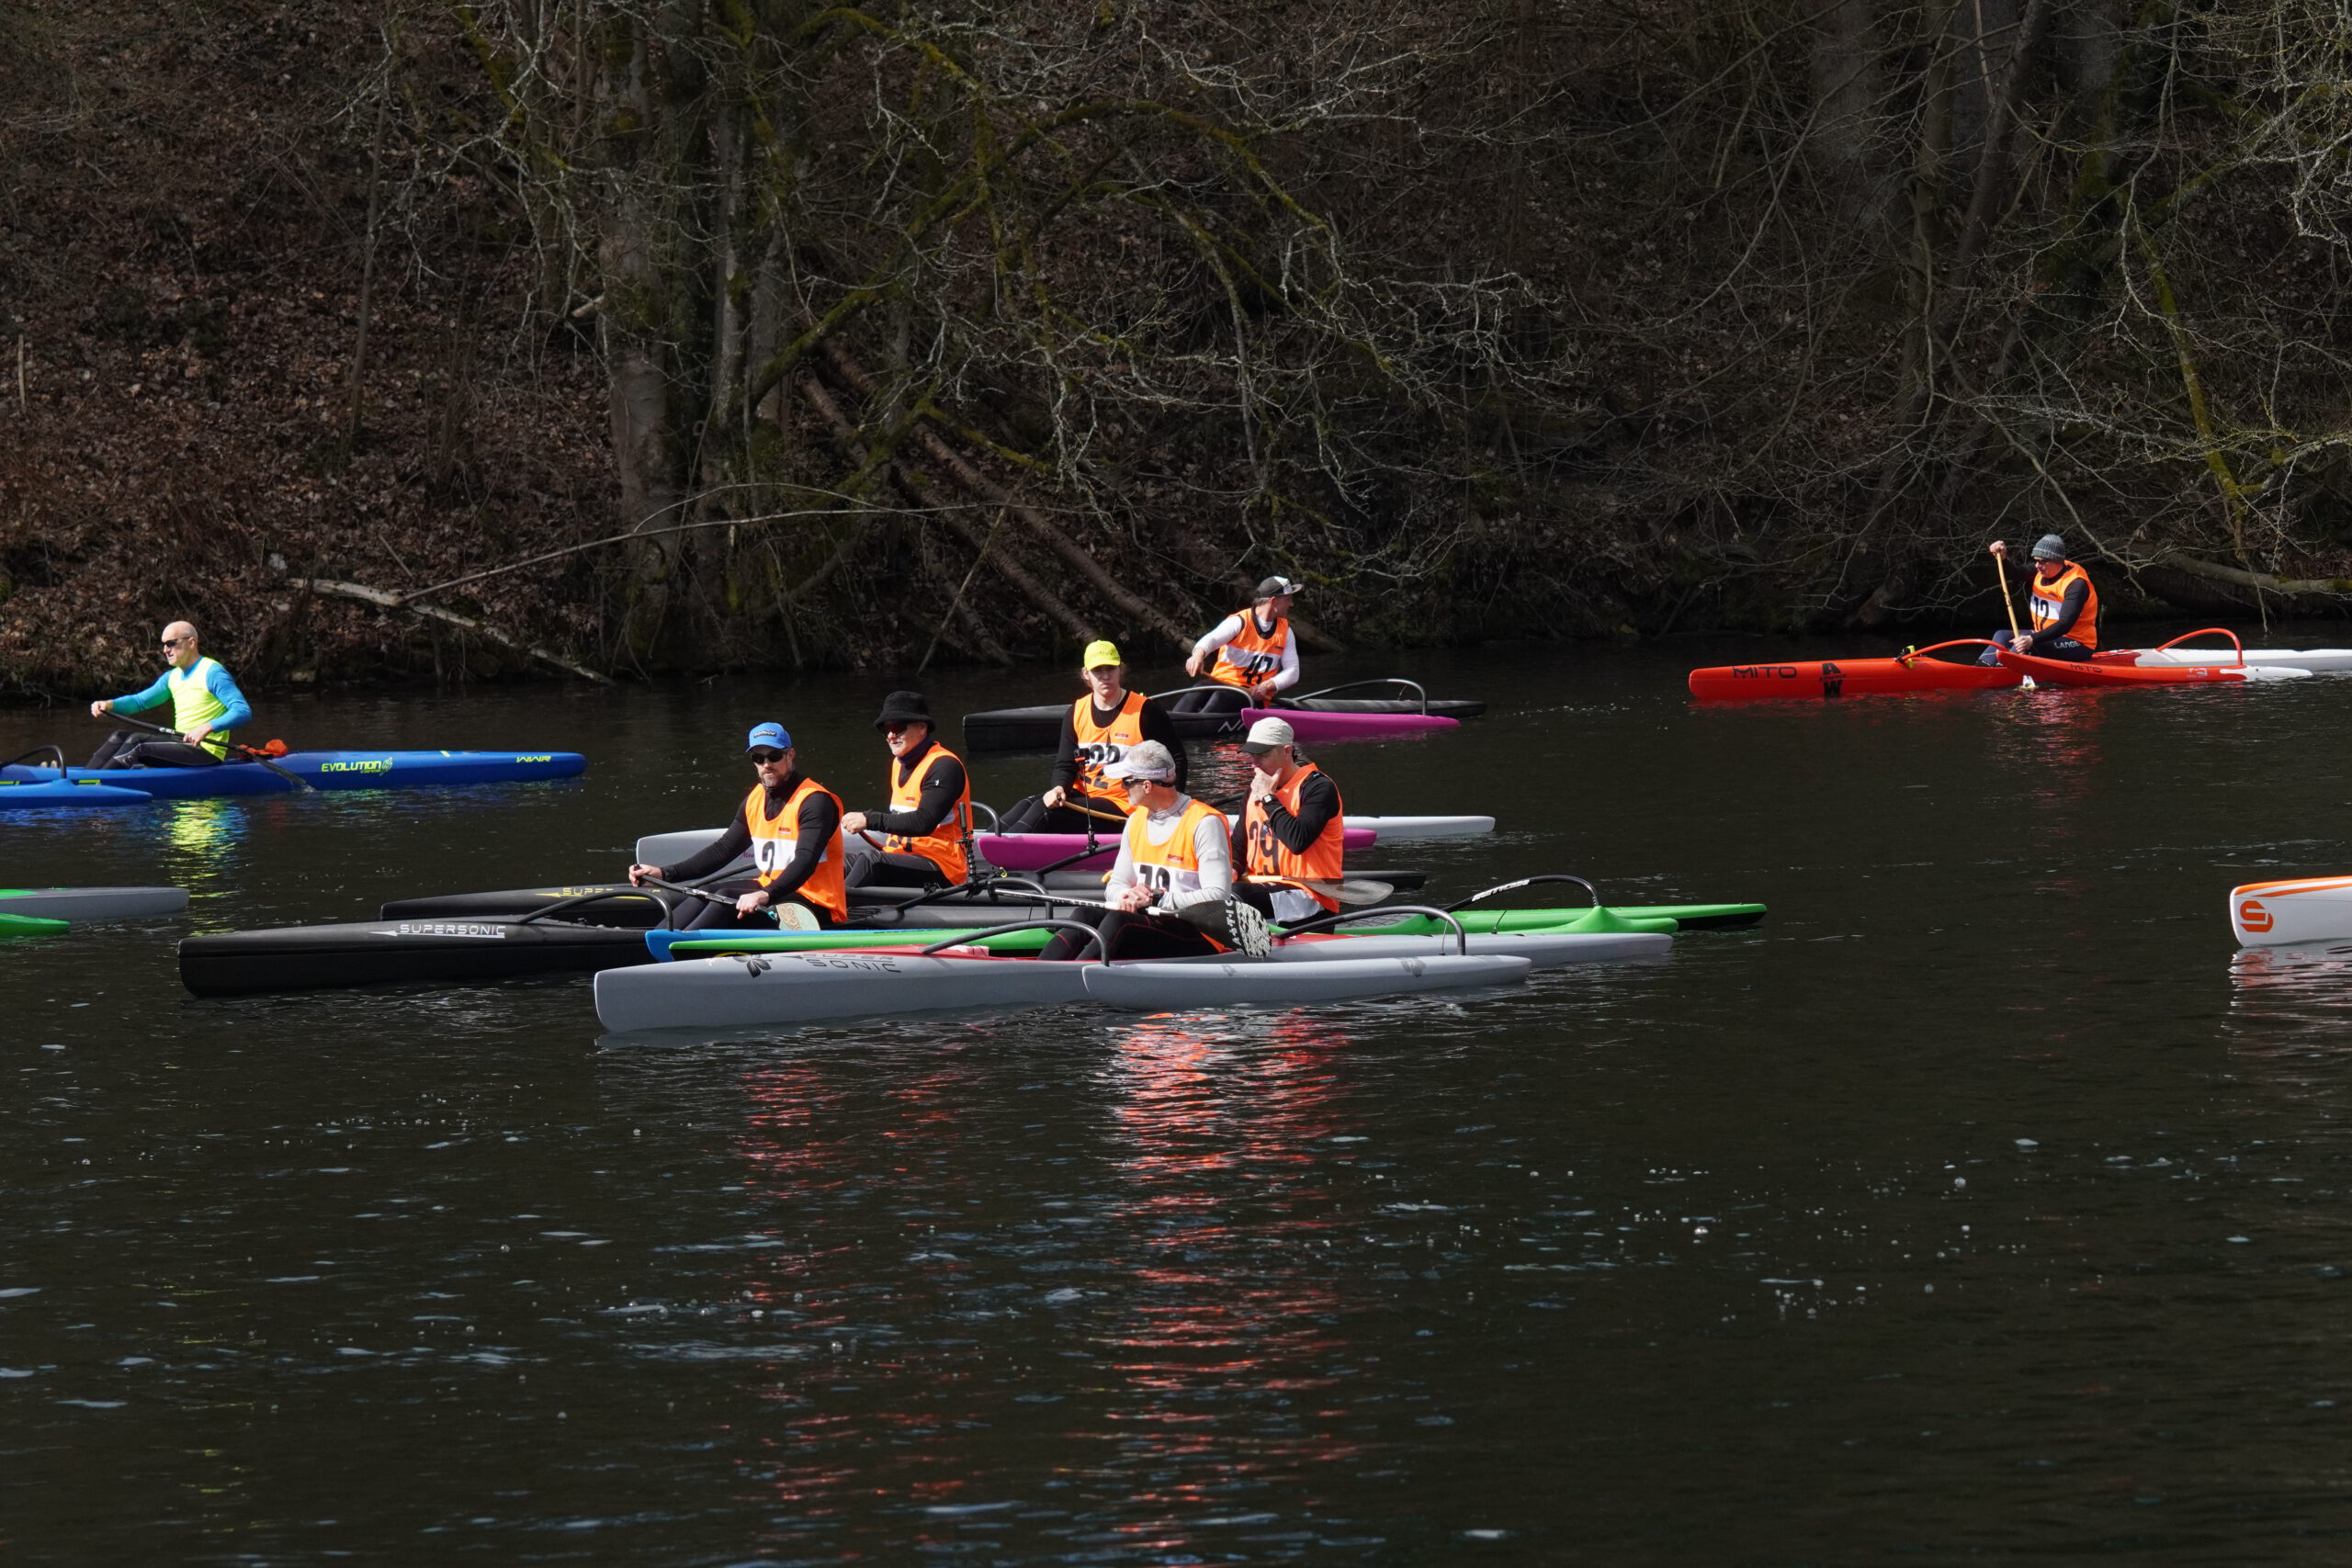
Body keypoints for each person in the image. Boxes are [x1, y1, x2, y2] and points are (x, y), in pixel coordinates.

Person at [627, 723, 847, 931]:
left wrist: (766, 894)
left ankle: (670, 947)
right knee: (705, 892)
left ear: (790, 755)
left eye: (774, 756)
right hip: (774, 890)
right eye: (758, 758)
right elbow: (724, 849)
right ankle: (651, 939)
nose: (766, 764)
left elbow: (805, 860)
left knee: (726, 897)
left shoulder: (815, 802)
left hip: (815, 905)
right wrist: (664, 873)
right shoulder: (755, 799)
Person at [1037, 741, 1238, 961]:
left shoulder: (1205, 823)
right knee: (1084, 915)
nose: (1122, 788)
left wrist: (1156, 899)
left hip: (1200, 931)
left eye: (1126, 781)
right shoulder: (1136, 820)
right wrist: (1128, 896)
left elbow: (1218, 897)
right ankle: (1043, 969)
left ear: (1147, 786)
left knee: (1119, 922)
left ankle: (1072, 974)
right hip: (1153, 920)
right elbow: (1116, 884)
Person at [997, 639, 1189, 833]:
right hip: (1084, 797)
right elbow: (1065, 764)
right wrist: (1058, 788)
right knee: (1028, 804)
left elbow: (1177, 759)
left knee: (1045, 812)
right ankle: (984, 842)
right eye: (1098, 670)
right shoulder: (1076, 711)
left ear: (1121, 669)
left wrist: (1170, 810)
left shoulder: (1147, 712)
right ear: (1086, 674)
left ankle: (999, 849)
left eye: (1110, 669)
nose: (1105, 676)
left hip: (1125, 804)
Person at [839, 690, 971, 889]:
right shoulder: (898, 764)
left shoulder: (944, 766)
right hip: (901, 857)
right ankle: (796, 903)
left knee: (871, 861)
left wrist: (869, 819)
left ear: (922, 727)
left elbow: (923, 822)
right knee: (836, 863)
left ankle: (835, 908)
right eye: (886, 730)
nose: (891, 736)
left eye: (898, 728)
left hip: (943, 866)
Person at [1228, 717, 1346, 925]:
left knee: (1236, 894)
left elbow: (1297, 841)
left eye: (1262, 756)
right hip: (1260, 888)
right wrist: (1232, 869)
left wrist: (1268, 798)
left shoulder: (1318, 787)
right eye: (1252, 756)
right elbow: (1238, 846)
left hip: (1310, 894)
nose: (1254, 764)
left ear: (1287, 751)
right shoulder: (1253, 791)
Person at [85, 621, 253, 768]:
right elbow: (139, 702)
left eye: (171, 643)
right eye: (164, 645)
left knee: (136, 741)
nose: (165, 650)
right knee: (118, 736)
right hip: (182, 744)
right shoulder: (171, 677)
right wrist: (110, 705)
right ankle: (85, 779)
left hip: (206, 751)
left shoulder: (212, 672)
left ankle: (95, 784)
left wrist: (207, 727)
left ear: (191, 643)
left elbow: (242, 711)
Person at [1173, 576, 1302, 714]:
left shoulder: (1286, 632)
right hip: (1222, 684)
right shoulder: (1239, 622)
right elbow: (1211, 639)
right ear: (1274, 601)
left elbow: (1293, 671)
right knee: (1199, 689)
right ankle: (1173, 719)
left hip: (1253, 694)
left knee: (1221, 697)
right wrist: (1197, 655)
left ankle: (1195, 723)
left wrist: (1267, 686)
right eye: (1288, 599)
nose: (1291, 604)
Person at [1980, 536, 2098, 665]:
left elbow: (2065, 624)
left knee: (2025, 646)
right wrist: (2002, 559)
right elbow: (2015, 574)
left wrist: (2032, 639)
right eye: (2036, 561)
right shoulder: (2040, 570)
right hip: (2045, 636)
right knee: (2002, 635)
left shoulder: (2076, 585)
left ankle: (2003, 670)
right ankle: (1980, 668)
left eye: (2042, 562)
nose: (2037, 566)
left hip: (2077, 642)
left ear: (2057, 560)